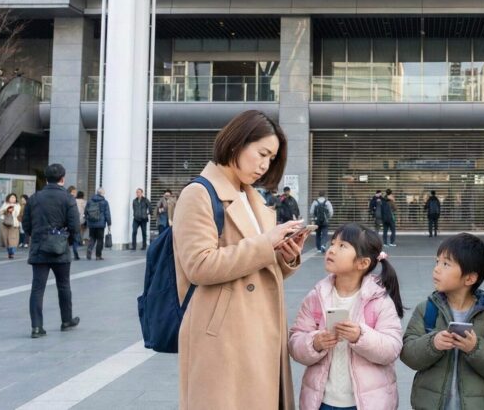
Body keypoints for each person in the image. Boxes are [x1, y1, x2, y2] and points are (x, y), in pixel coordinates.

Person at [173, 110, 308, 410]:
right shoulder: (199, 193)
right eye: (262, 153)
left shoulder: (251, 197)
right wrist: (266, 243)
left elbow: (255, 266)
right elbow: (199, 265)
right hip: (223, 338)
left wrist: (283, 256)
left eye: (271, 158)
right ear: (237, 142)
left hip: (258, 331)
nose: (265, 165)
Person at [289, 223, 404, 410]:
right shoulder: (316, 297)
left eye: (342, 246)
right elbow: (295, 343)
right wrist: (315, 343)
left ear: (362, 263)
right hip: (321, 402)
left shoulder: (379, 300)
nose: (332, 250)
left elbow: (392, 349)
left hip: (367, 403)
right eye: (333, 243)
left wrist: (360, 336)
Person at [401, 233, 484, 410]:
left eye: (446, 264)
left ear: (469, 278)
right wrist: (433, 343)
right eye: (437, 262)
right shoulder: (427, 310)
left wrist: (475, 348)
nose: (436, 269)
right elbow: (408, 354)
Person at [23, 163, 81, 338]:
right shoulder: (68, 198)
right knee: (63, 285)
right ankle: (66, 320)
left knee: (37, 288)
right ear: (62, 178)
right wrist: (65, 239)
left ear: (46, 179)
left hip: (39, 247)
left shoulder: (34, 198)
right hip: (60, 248)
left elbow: (26, 224)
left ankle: (36, 327)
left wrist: (37, 236)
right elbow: (75, 226)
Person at [84, 189, 111, 260]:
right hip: (100, 224)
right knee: (100, 240)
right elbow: (107, 214)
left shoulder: (90, 201)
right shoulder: (105, 202)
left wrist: (87, 220)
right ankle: (98, 256)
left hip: (91, 223)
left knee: (92, 238)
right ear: (102, 194)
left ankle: (89, 251)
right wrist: (109, 223)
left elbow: (85, 212)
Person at [0, 193, 22, 260]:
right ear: (8, 198)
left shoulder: (18, 205)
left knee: (13, 239)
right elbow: (0, 212)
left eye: (14, 197)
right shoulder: (5, 204)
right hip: (5, 224)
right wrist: (6, 210)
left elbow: (18, 214)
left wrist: (13, 211)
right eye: (11, 197)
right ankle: (9, 252)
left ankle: (12, 252)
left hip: (14, 224)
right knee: (6, 239)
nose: (13, 199)